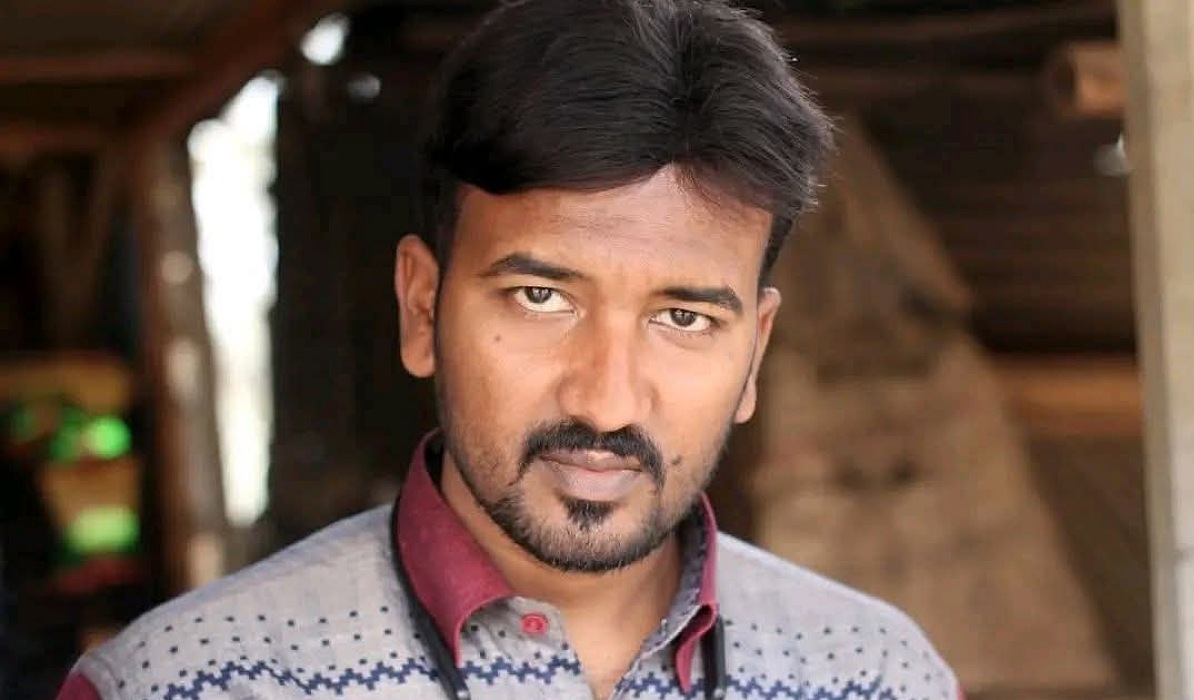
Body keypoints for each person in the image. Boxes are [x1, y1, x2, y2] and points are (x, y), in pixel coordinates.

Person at [58, 0, 960, 698]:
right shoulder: (187, 682)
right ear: (422, 309)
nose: (606, 402)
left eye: (684, 318)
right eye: (541, 297)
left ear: (754, 353)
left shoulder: (880, 676)